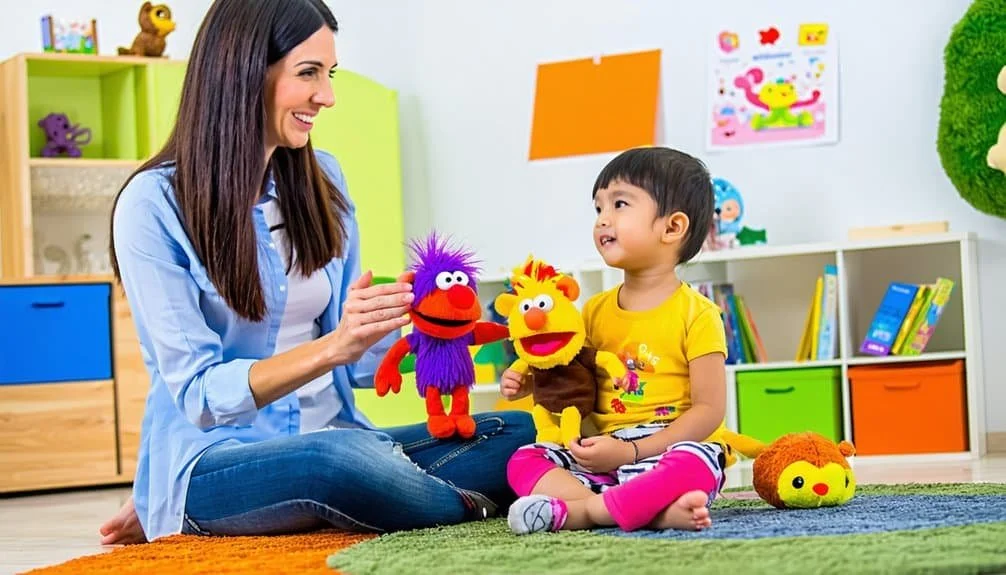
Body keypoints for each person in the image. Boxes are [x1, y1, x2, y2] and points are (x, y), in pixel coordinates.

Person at [98, 0, 534, 544]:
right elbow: (200, 395)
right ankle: (486, 505)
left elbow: (364, 367)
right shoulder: (153, 204)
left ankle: (423, 493)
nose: (326, 96)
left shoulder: (323, 180)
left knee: (517, 433)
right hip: (223, 458)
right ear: (243, 70)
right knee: (337, 459)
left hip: (341, 437)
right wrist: (334, 348)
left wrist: (414, 325)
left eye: (329, 75)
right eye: (308, 73)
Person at [501, 147, 732, 535]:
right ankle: (644, 512)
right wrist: (533, 378)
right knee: (523, 460)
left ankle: (582, 513)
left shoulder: (699, 314)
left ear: (672, 228)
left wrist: (635, 451)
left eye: (620, 204)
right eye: (598, 209)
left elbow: (709, 412)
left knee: (697, 463)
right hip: (598, 455)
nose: (603, 220)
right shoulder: (591, 312)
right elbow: (570, 374)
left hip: (664, 450)